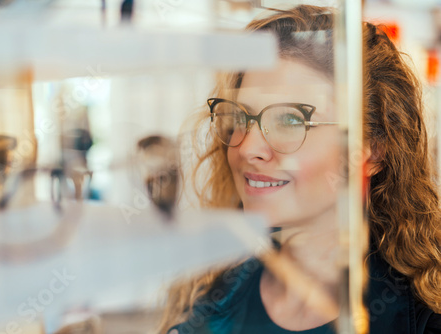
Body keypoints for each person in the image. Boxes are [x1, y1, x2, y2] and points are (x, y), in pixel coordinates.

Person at [157, 5, 441, 334]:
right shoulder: (206, 293)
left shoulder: (424, 317)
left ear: (373, 149)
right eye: (240, 118)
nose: (246, 148)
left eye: (290, 120)